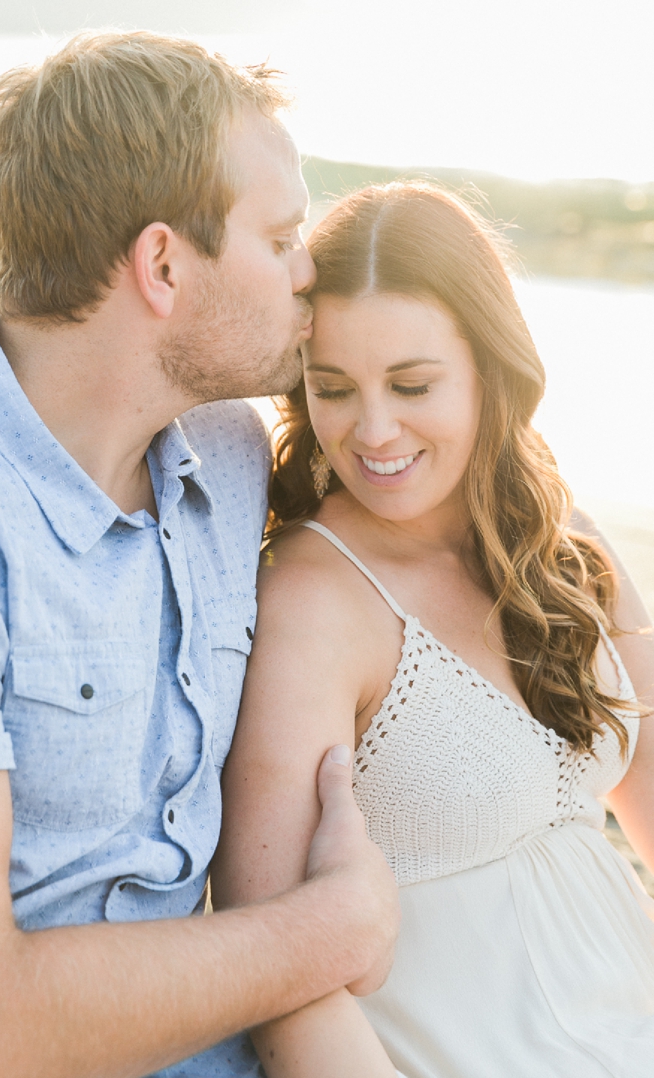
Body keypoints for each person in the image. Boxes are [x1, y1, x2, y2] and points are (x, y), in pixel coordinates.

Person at [0, 31, 399, 1078]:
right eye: (280, 238)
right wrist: (333, 928)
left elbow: (434, 498)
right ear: (162, 265)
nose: (308, 268)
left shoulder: (230, 452)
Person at [212, 182, 654, 1076]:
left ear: (492, 365)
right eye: (332, 388)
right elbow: (277, 977)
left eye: (412, 384)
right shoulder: (316, 601)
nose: (372, 432)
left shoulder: (558, 535)